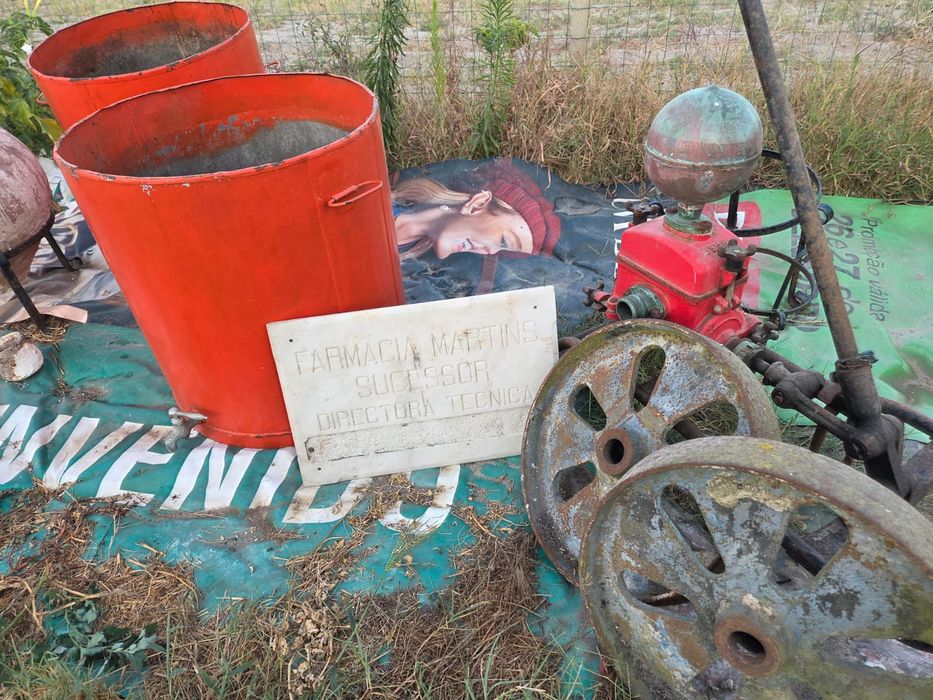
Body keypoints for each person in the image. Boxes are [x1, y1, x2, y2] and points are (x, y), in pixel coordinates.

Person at [392, 159, 560, 261]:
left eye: (502, 254)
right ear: (477, 205)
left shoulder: (413, 268)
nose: (491, 252)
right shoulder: (386, 202)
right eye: (504, 242)